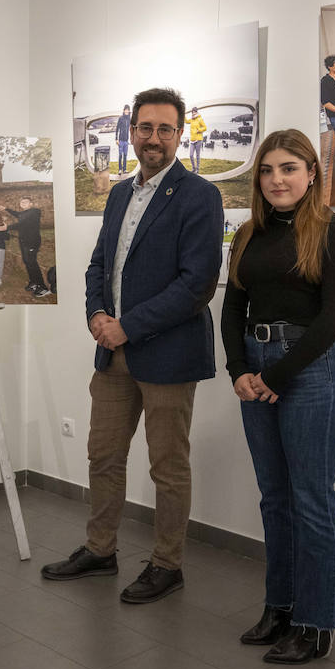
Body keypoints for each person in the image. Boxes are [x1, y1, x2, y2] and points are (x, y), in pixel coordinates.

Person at [41, 87, 224, 604]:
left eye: (166, 129)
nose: (154, 139)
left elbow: (196, 284)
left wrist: (128, 326)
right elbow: (100, 264)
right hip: (113, 354)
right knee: (103, 455)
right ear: (133, 131)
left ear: (180, 135)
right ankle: (100, 551)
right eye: (146, 128)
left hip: (166, 354)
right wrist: (97, 315)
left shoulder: (199, 196)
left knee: (167, 467)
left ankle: (168, 564)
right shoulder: (120, 193)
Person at [221, 128, 335, 664]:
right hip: (254, 370)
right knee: (274, 498)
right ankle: (279, 608)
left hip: (310, 370)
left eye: (288, 168)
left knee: (311, 499)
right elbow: (233, 308)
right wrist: (238, 369)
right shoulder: (248, 234)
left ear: (311, 173)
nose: (277, 179)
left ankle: (317, 622)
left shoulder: (334, 231)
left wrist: (278, 376)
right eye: (267, 170)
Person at [5, 196, 50, 296]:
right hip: (23, 241)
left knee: (32, 263)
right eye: (21, 202)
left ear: (31, 204)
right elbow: (16, 214)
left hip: (31, 241)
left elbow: (22, 224)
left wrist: (7, 227)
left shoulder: (34, 212)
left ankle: (43, 287)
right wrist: (6, 209)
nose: (23, 203)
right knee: (27, 262)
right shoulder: (23, 213)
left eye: (25, 202)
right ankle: (34, 282)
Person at [187, 106, 208, 173]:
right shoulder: (191, 119)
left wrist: (199, 130)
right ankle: (194, 168)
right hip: (192, 140)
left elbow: (205, 128)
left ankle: (197, 169)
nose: (193, 113)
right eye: (192, 112)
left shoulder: (200, 119)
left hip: (199, 139)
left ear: (197, 112)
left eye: (194, 112)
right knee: (191, 155)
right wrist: (183, 114)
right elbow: (186, 121)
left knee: (197, 155)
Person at [115, 103, 132, 174]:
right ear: (124, 110)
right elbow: (117, 128)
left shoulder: (129, 119)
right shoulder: (121, 118)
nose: (127, 111)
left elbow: (131, 129)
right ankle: (119, 169)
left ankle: (124, 169)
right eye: (126, 110)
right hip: (121, 140)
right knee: (120, 155)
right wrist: (116, 139)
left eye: (128, 110)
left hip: (126, 141)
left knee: (125, 155)